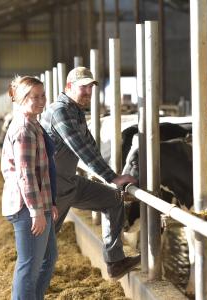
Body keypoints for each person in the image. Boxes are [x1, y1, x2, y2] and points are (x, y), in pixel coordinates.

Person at [41, 66, 140, 280]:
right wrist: (113, 177)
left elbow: (91, 146)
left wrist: (114, 179)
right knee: (44, 249)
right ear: (68, 87)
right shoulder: (60, 111)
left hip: (69, 182)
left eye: (90, 87)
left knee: (113, 199)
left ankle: (115, 262)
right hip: (53, 189)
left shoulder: (75, 110)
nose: (88, 92)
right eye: (83, 87)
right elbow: (82, 149)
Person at [1, 76, 58, 300]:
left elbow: (41, 171)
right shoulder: (24, 129)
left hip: (39, 202)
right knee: (29, 266)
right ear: (22, 99)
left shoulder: (34, 124)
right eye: (35, 96)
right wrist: (36, 211)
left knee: (48, 258)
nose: (41, 100)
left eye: (43, 95)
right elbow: (26, 174)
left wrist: (49, 203)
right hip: (27, 207)